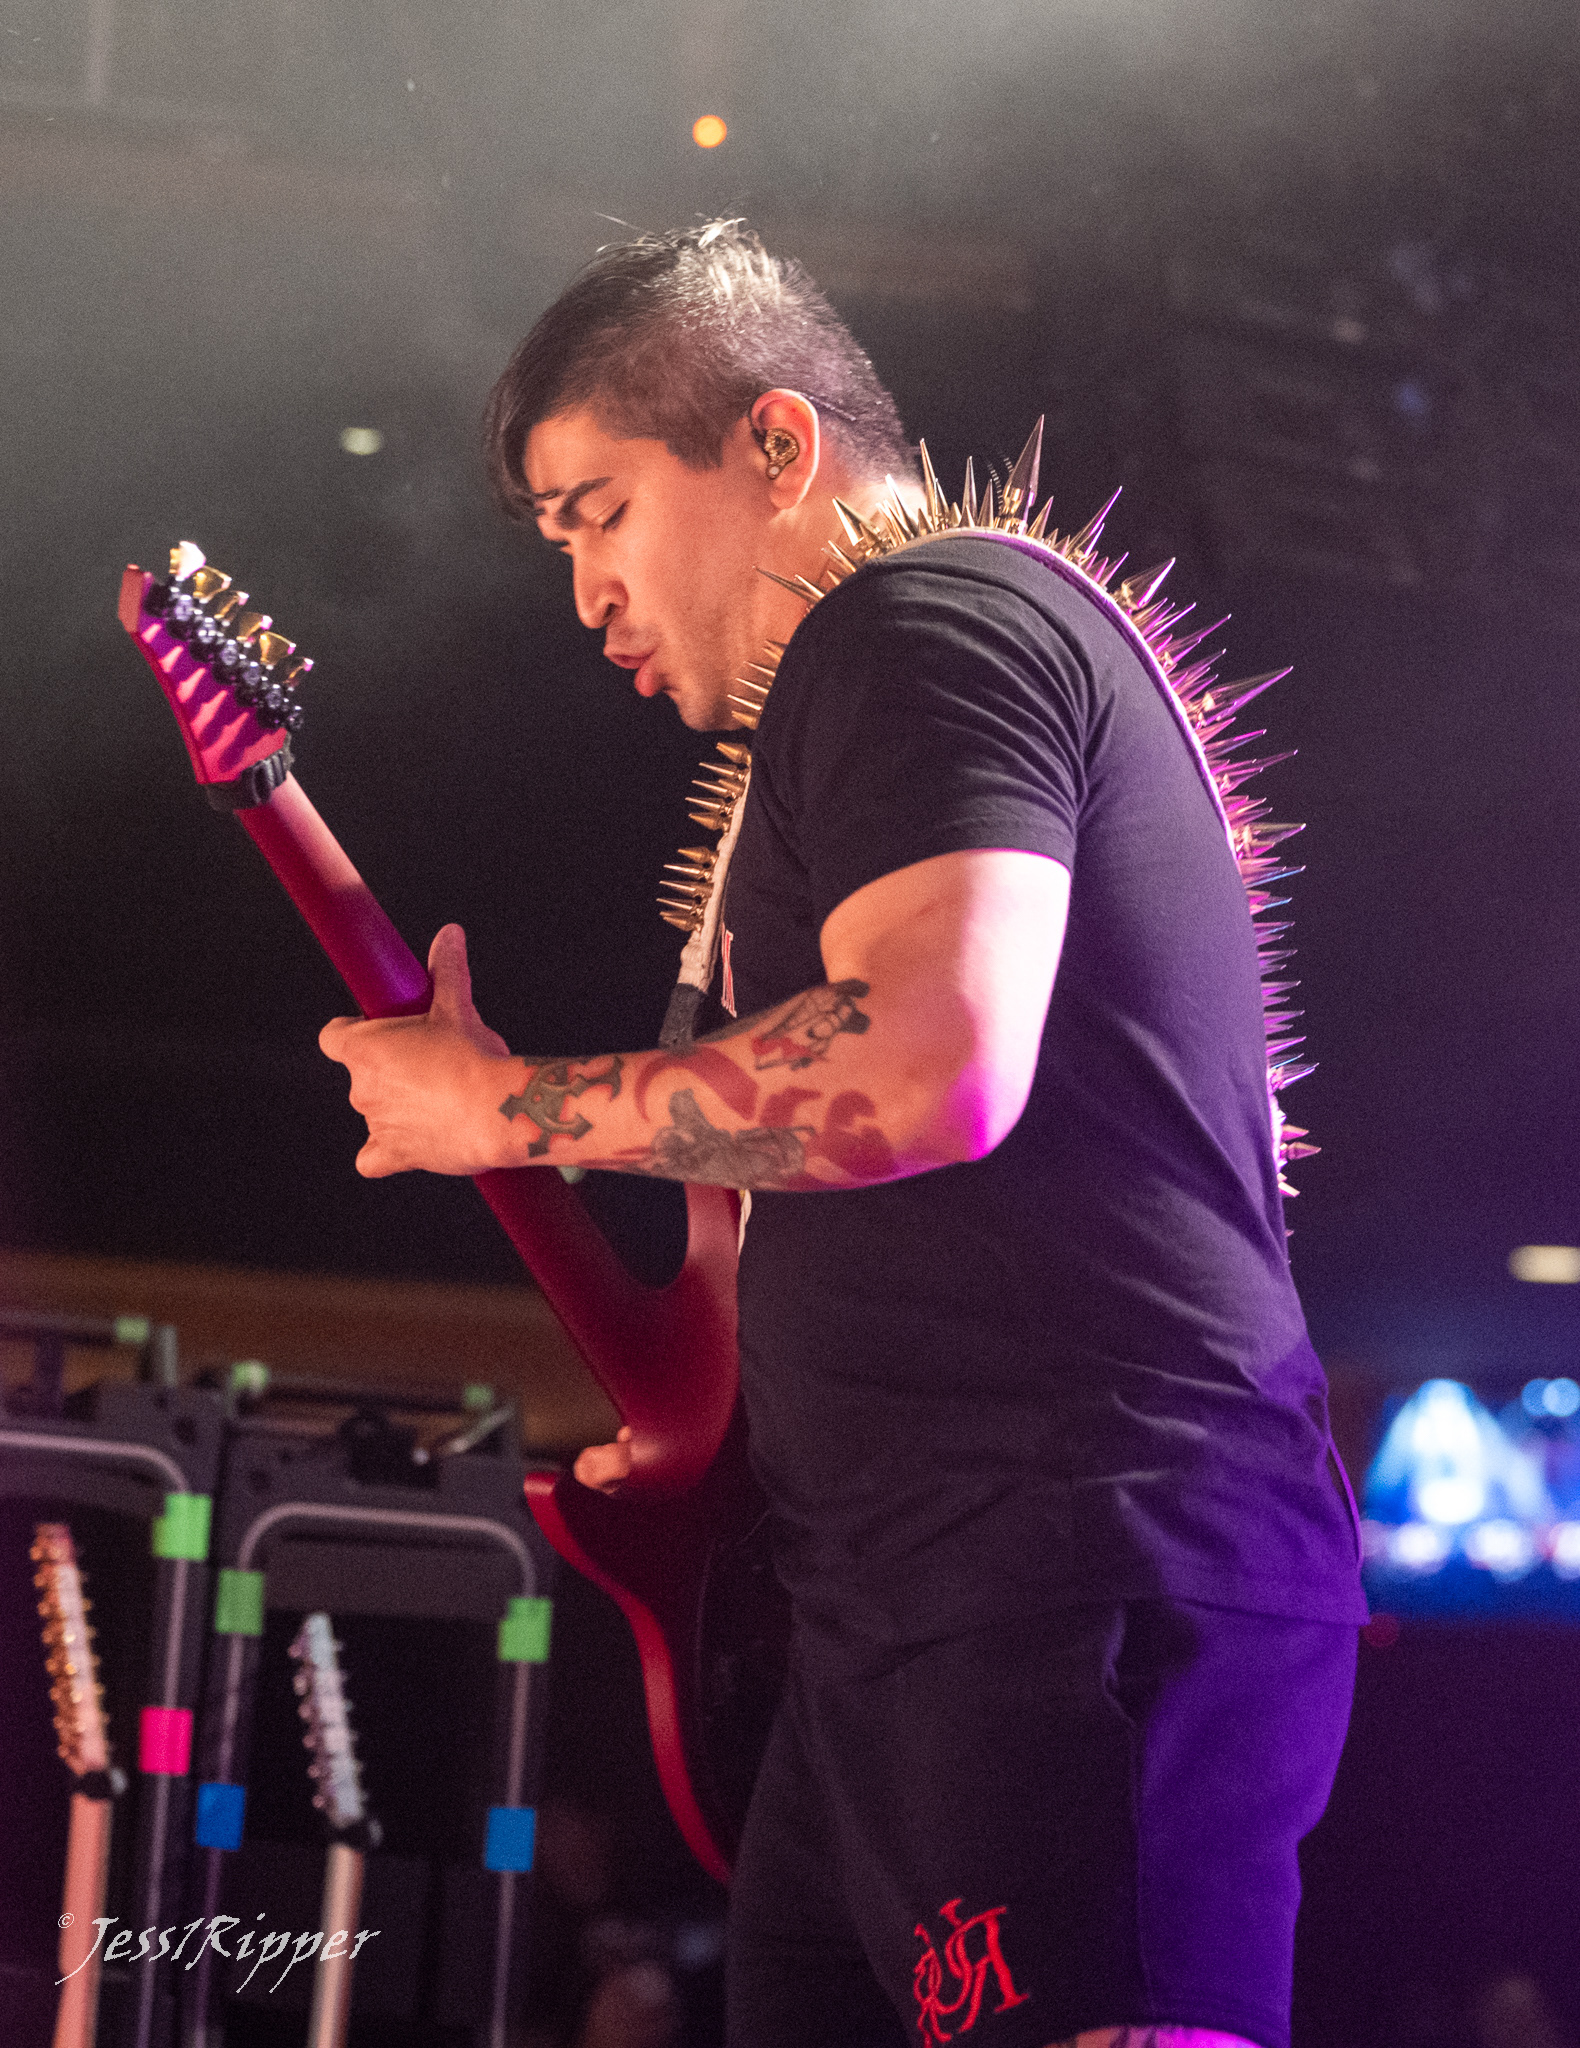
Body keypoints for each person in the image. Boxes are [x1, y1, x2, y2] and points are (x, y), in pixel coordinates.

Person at [319, 221, 1367, 2048]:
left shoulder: (922, 627)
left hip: (1067, 1571)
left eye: (600, 513)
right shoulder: (862, 702)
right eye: (559, 543)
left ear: (777, 444)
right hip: (903, 1611)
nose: (587, 594)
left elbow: (925, 1069)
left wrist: (501, 1107)